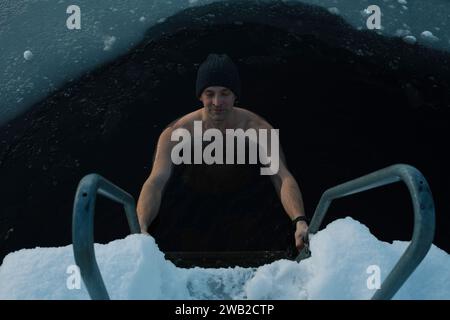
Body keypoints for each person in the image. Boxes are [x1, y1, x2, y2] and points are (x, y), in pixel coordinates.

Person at [137, 54, 309, 252]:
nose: (217, 102)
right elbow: (156, 181)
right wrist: (141, 228)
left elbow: (281, 176)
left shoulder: (257, 128)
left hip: (242, 194)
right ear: (200, 96)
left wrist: (300, 221)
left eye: (225, 93)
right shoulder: (177, 132)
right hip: (195, 195)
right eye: (209, 93)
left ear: (236, 95)